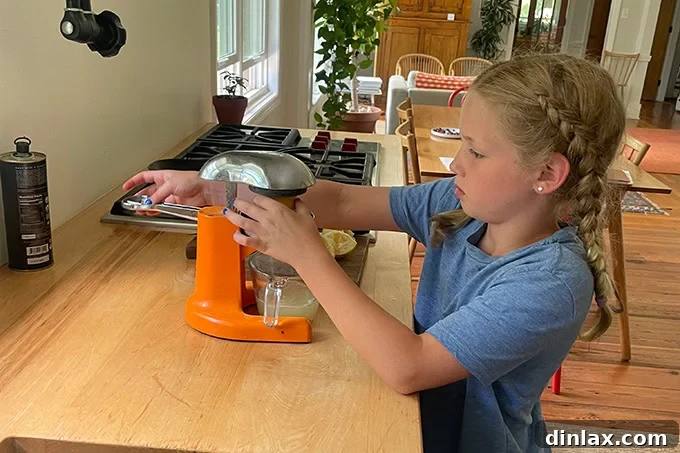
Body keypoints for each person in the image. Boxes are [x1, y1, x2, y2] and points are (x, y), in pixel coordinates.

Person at [123, 54, 626, 452]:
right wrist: (214, 188)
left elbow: (409, 366)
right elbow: (340, 199)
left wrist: (308, 256)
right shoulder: (460, 205)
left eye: (475, 149)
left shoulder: (550, 282)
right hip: (418, 425)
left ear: (546, 175)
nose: (456, 162)